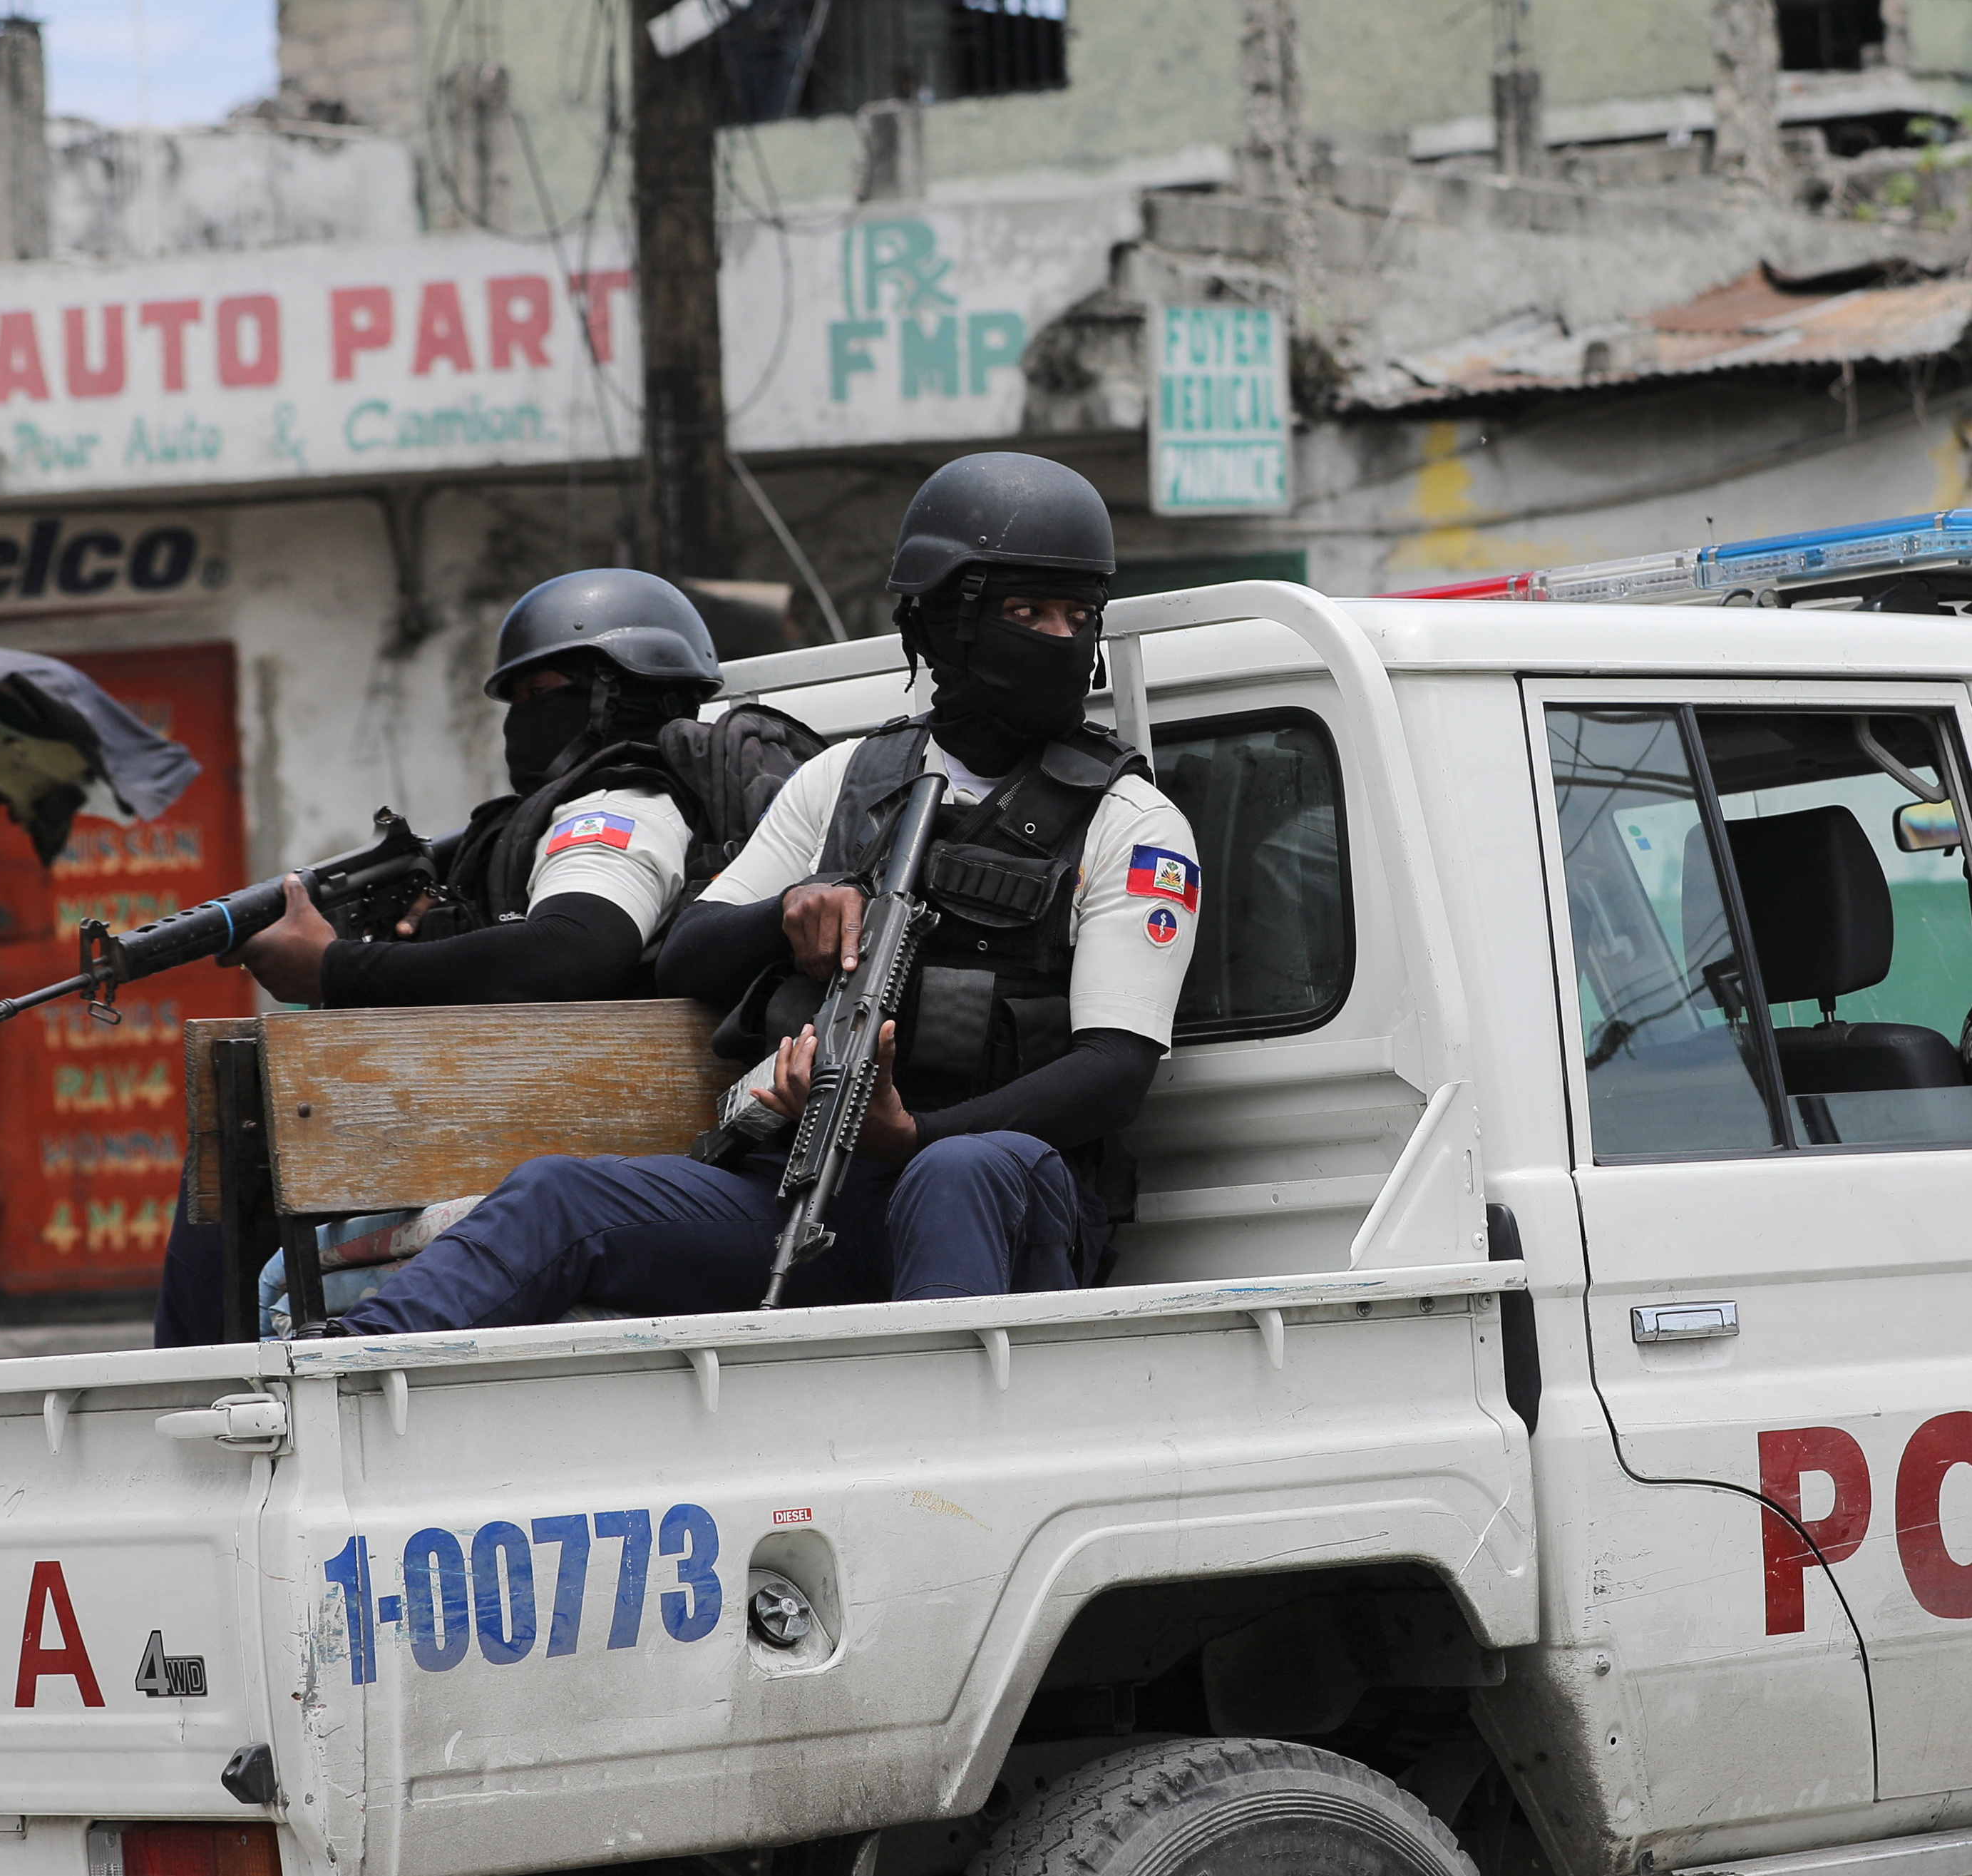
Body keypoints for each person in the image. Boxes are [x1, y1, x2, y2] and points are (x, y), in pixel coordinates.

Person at [336, 452, 1195, 1331]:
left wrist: (913, 1135)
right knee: (557, 1195)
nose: (1058, 637)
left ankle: (936, 1455)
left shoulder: (1132, 820)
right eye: (1026, 611)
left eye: (1077, 615)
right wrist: (795, 914)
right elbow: (690, 953)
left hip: (1002, 1208)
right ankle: (338, 1380)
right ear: (943, 620)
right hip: (807, 1188)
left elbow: (1113, 1072)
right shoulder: (846, 779)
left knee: (961, 1170)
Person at [147, 570, 735, 1343]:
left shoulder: (621, 804)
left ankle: (196, 1381)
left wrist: (333, 969)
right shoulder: (555, 817)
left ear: (617, 692)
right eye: (512, 701)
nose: (519, 722)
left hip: (579, 1144)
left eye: (541, 695)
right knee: (245, 1132)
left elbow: (575, 949)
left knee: (255, 1135)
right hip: (523, 1123)